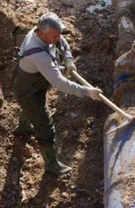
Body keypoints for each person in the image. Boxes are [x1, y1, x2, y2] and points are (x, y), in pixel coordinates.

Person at [12, 13, 103, 176]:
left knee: (31, 109)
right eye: (54, 36)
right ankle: (51, 165)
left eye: (58, 34)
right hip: (29, 93)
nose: (57, 38)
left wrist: (68, 60)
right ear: (41, 34)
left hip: (30, 86)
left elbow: (61, 41)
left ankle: (24, 127)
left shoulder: (41, 32)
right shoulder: (38, 55)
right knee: (45, 128)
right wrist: (87, 92)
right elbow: (59, 83)